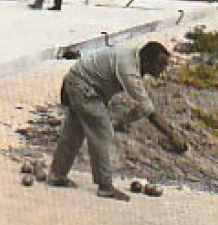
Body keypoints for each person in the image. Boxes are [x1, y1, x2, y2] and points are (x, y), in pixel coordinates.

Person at [48, 40, 188, 200]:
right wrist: (172, 135)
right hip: (83, 86)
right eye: (160, 65)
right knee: (102, 130)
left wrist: (125, 120)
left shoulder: (136, 56)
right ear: (147, 62)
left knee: (74, 130)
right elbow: (150, 112)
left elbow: (142, 107)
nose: (163, 70)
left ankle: (57, 175)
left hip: (78, 81)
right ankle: (105, 186)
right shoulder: (128, 70)